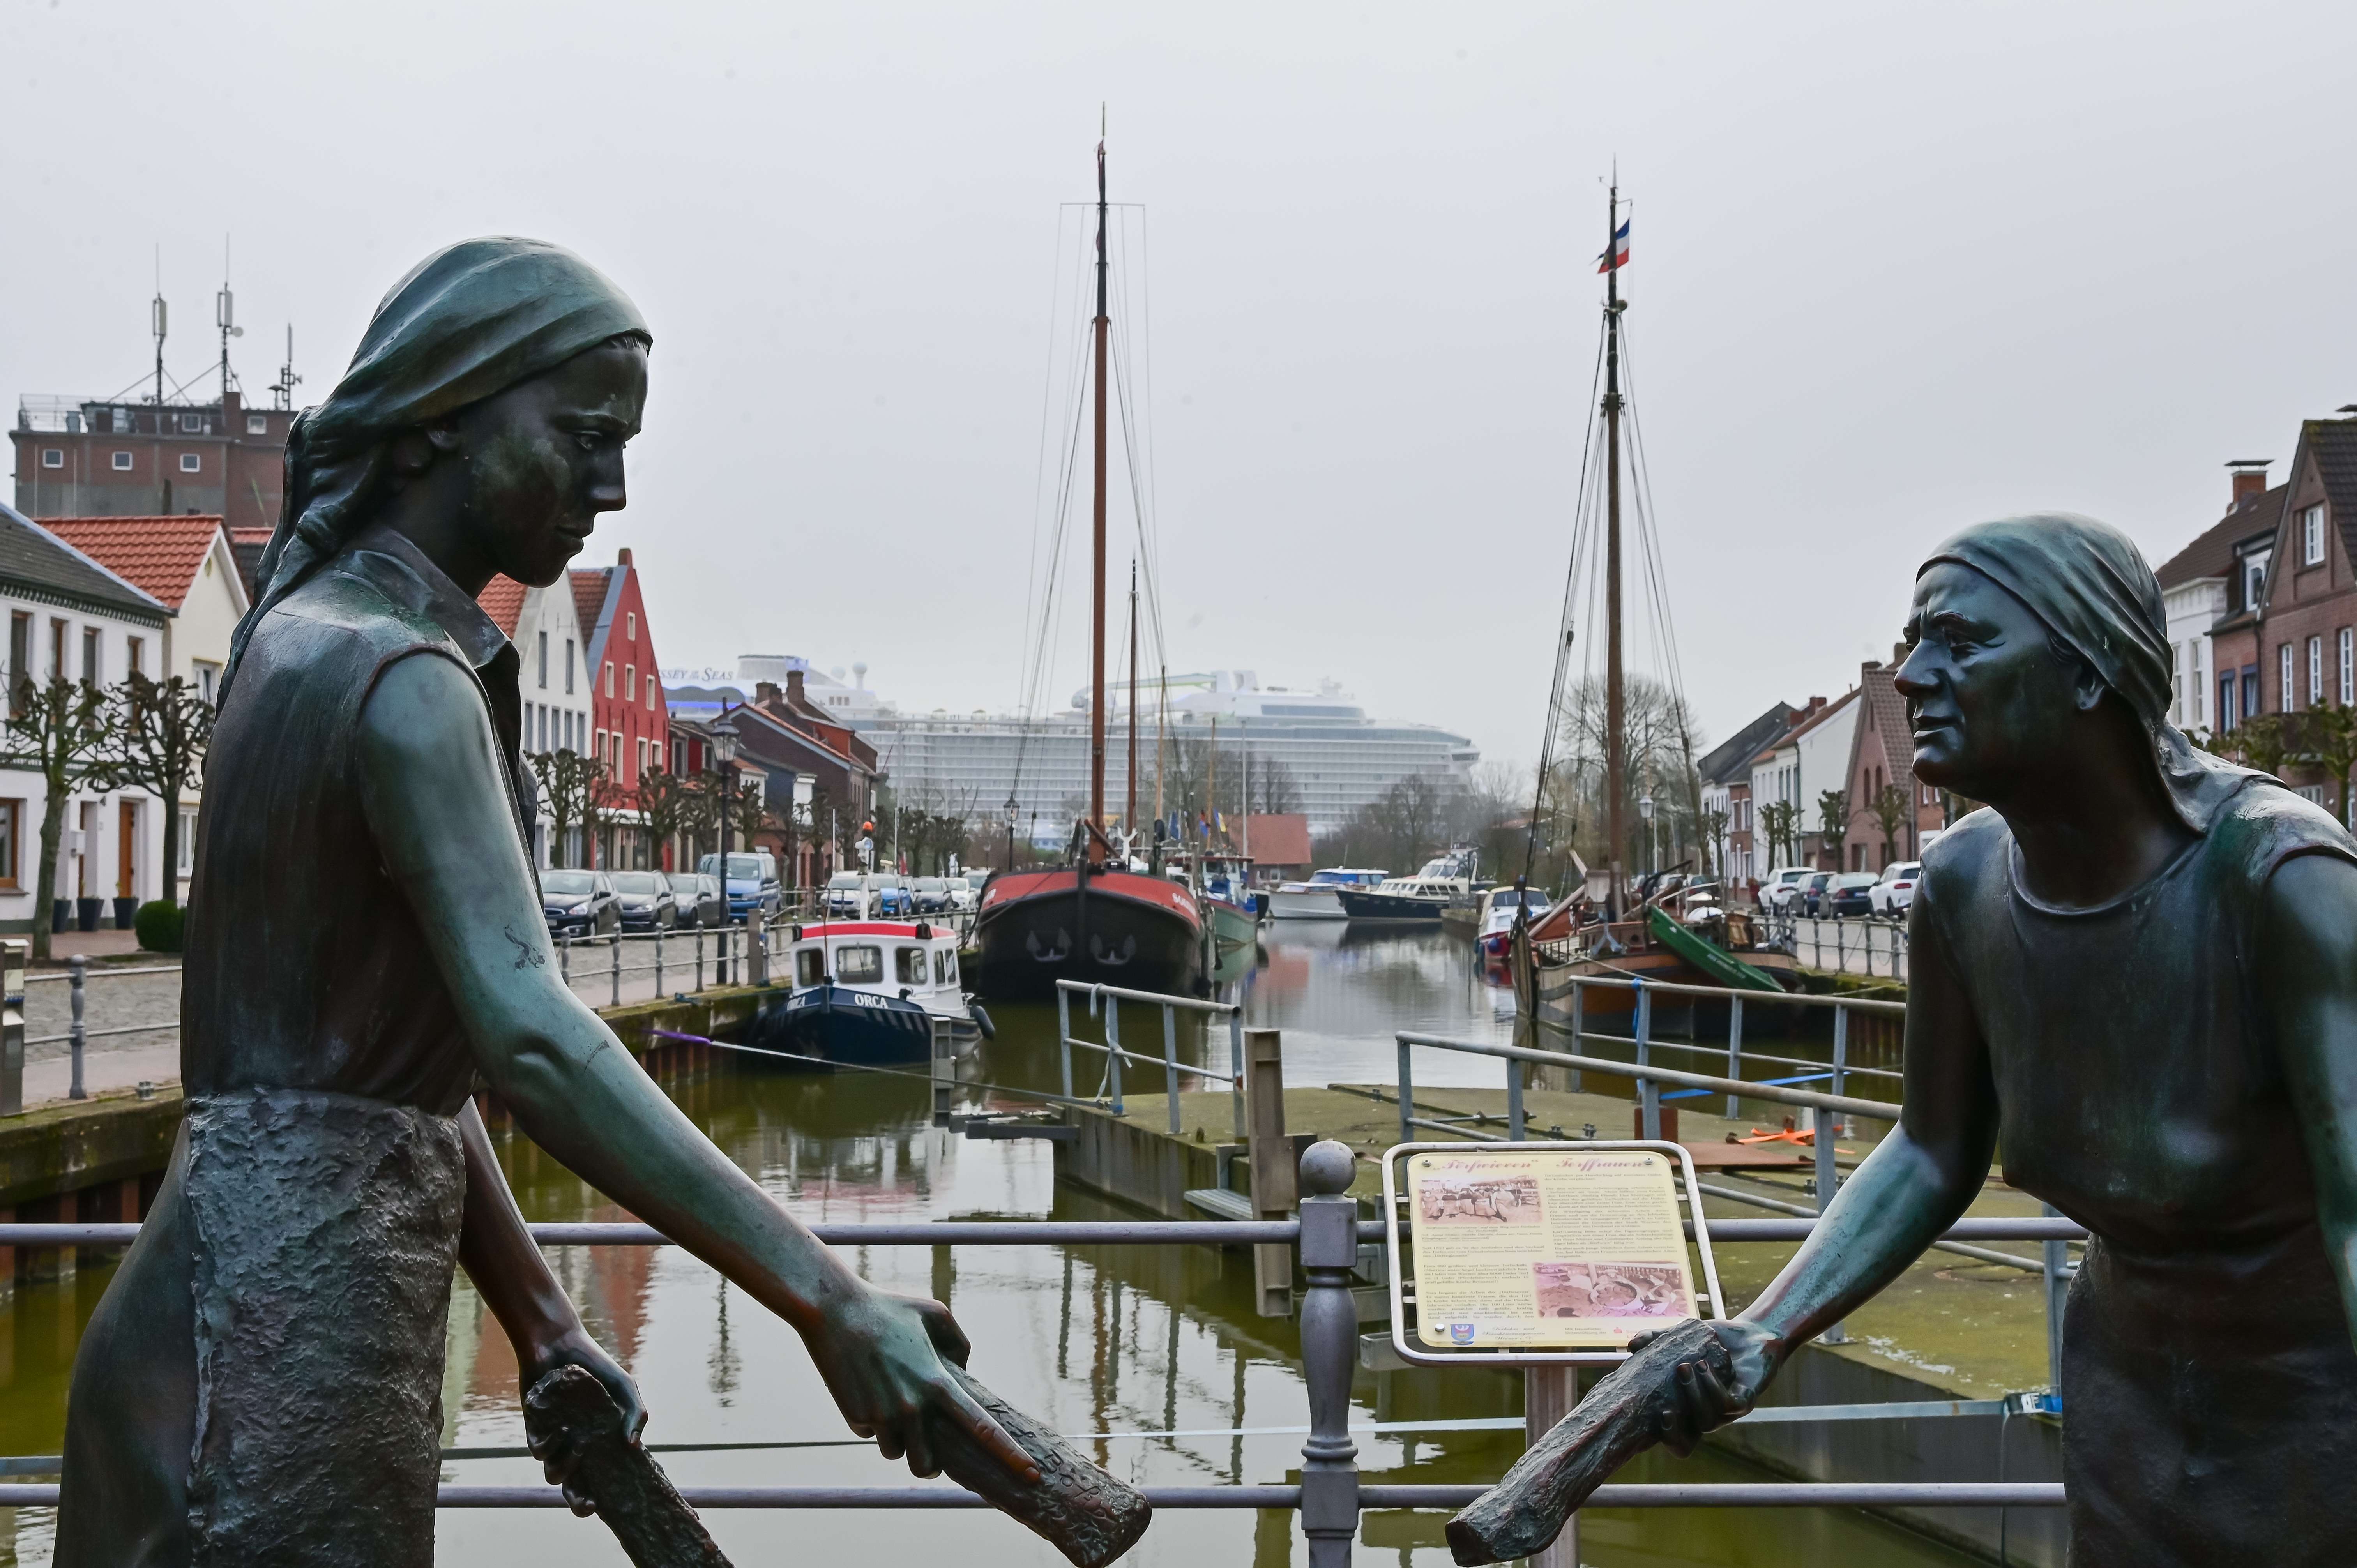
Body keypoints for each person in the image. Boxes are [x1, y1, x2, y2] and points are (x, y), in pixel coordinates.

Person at [55, 238, 1030, 1568]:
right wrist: (831, 1301)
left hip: (225, 1339)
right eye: (582, 438)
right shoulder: (403, 679)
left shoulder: (307, 638)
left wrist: (539, 1315)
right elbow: (528, 1033)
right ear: (442, 420)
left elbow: (387, 1074)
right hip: (284, 1367)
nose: (612, 487)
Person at [1625, 513, 2357, 1563]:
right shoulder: (1964, 885)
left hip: (2318, 1416)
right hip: (2130, 1404)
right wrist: (1765, 1330)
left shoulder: (2282, 882)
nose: (1917, 675)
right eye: (1918, 641)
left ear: (2091, 674)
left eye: (1962, 644)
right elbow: (1932, 1149)